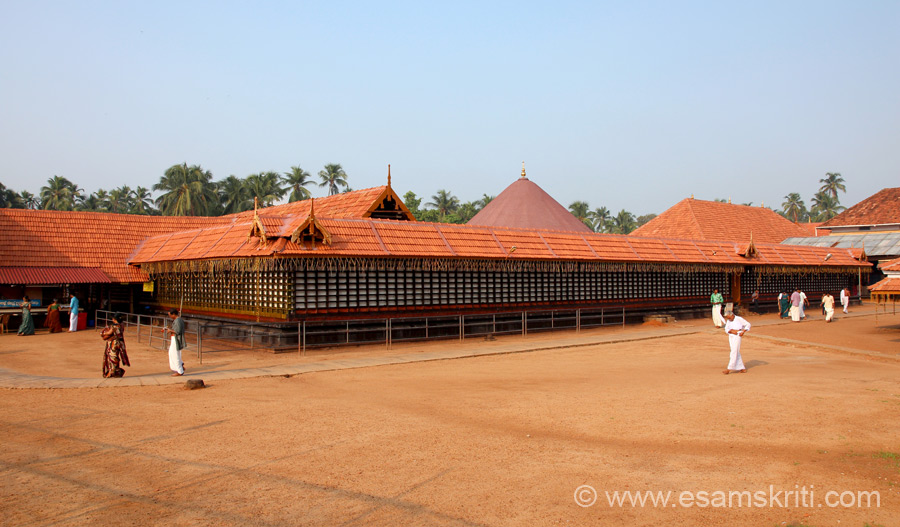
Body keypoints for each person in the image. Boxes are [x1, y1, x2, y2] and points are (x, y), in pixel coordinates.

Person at [101, 313, 130, 378]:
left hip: (114, 343)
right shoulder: (121, 325)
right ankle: (115, 371)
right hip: (119, 343)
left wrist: (103, 333)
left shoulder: (115, 326)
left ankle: (113, 371)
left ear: (114, 319)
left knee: (112, 357)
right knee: (115, 356)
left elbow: (109, 332)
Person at [722, 310, 750, 375]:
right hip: (731, 335)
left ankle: (729, 368)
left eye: (729, 317)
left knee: (734, 351)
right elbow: (726, 329)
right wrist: (731, 331)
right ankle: (742, 368)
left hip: (737, 335)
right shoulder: (729, 321)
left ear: (732, 315)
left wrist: (743, 331)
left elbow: (748, 324)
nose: (728, 319)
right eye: (727, 318)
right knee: (735, 351)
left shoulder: (739, 319)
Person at [164, 308, 186, 376]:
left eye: (170, 315)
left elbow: (178, 331)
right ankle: (180, 365)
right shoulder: (177, 320)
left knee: (175, 354)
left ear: (173, 314)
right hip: (174, 338)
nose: (170, 316)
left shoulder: (178, 320)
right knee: (172, 353)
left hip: (176, 339)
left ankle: (180, 371)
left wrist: (170, 330)